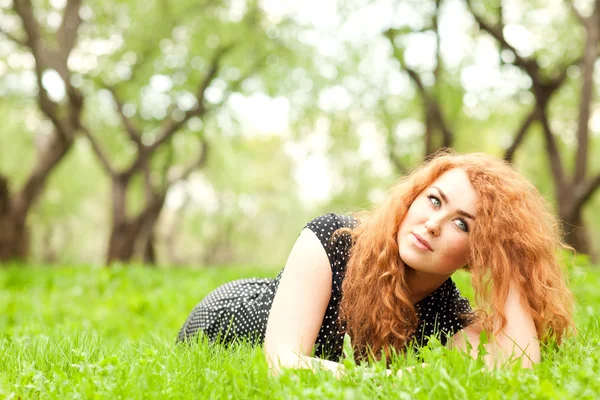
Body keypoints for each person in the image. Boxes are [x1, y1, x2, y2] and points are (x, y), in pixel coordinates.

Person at [177, 151, 574, 374]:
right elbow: (282, 362)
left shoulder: (447, 316)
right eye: (434, 200)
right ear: (413, 197)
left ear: (479, 253)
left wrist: (510, 264)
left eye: (462, 224)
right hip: (226, 318)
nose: (433, 224)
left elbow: (518, 366)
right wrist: (386, 380)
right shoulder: (332, 240)